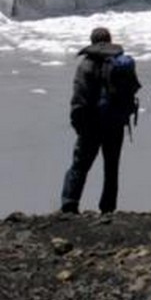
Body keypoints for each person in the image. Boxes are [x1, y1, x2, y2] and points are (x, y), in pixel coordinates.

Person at [60, 27, 141, 214]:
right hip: (115, 123)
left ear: (92, 41)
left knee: (80, 165)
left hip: (91, 125)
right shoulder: (121, 62)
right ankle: (108, 208)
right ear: (110, 39)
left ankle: (70, 204)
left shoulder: (86, 64)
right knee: (111, 168)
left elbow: (79, 97)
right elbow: (134, 87)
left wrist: (78, 124)